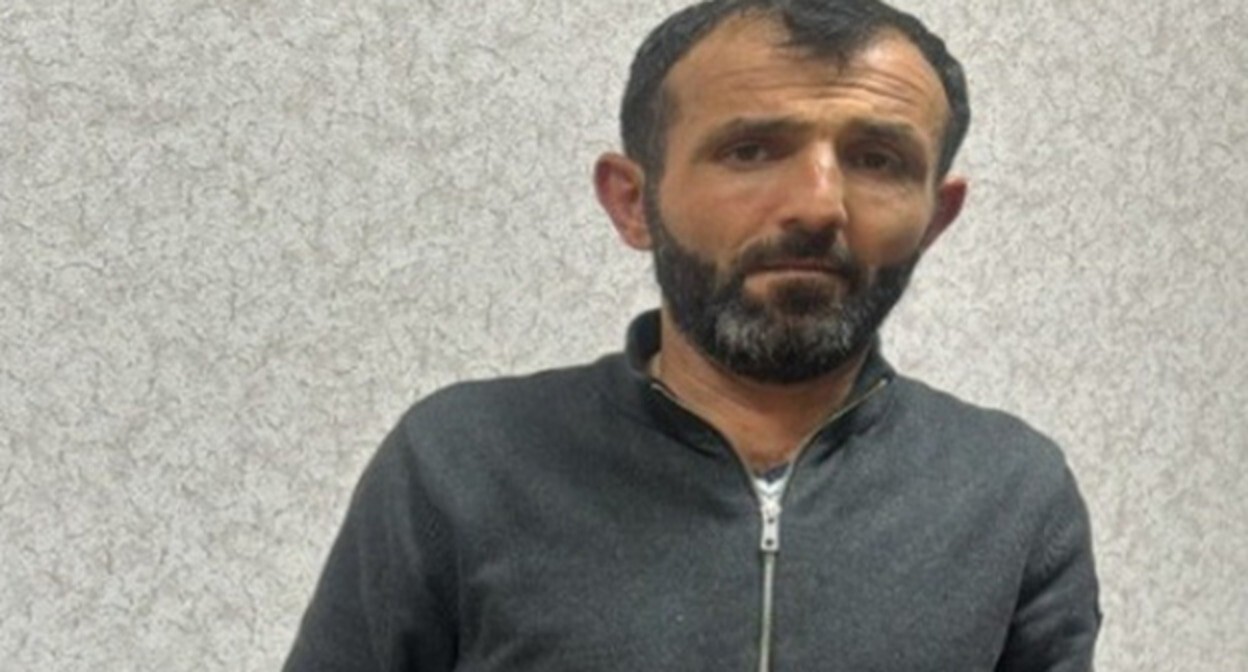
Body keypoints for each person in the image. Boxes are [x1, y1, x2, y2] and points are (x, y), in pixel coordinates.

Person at [283, 0, 1101, 670]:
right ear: (632, 202)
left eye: (878, 159)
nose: (818, 204)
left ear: (935, 217)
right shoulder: (458, 463)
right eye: (750, 150)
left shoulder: (1012, 494)